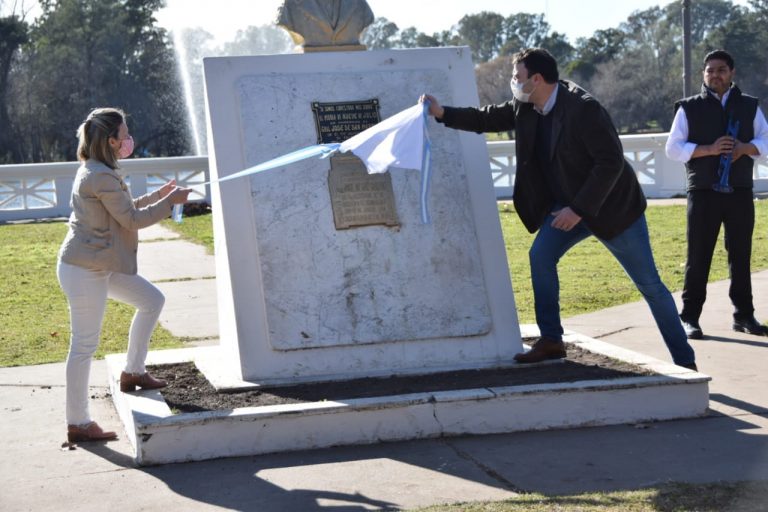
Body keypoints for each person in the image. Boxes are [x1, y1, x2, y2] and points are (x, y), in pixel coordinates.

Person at [420, 48, 697, 370]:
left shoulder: (584, 109)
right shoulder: (525, 106)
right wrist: (442, 112)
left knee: (650, 285)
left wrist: (578, 209)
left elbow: (609, 164)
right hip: (566, 208)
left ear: (536, 79)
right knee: (540, 257)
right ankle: (551, 339)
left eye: (517, 76)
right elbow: (487, 118)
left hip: (612, 210)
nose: (513, 82)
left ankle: (685, 362)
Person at [58, 107, 191, 442]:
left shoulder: (100, 170)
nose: (129, 138)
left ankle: (133, 372)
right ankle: (78, 422)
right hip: (85, 269)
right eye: (124, 133)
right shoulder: (99, 175)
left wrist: (162, 195)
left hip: (101, 264)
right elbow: (131, 220)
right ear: (111, 140)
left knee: (151, 301)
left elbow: (125, 209)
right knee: (84, 345)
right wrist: (171, 204)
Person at [666, 50, 768, 340]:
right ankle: (689, 318)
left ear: (732, 73)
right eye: (709, 70)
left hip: (739, 190)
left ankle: (744, 315)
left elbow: (766, 139)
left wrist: (744, 149)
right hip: (703, 192)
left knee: (741, 254)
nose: (715, 75)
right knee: (698, 256)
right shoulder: (688, 107)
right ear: (703, 74)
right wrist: (709, 149)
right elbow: (673, 148)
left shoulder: (749, 106)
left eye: (721, 70)